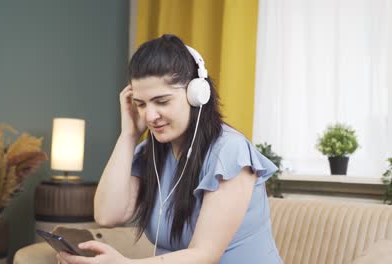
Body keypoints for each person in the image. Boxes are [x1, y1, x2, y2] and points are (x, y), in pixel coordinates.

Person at [56, 34, 283, 264]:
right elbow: (107, 215)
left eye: (162, 101)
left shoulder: (230, 151)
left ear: (196, 95)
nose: (150, 116)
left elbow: (205, 254)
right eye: (141, 104)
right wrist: (129, 135)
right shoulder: (152, 153)